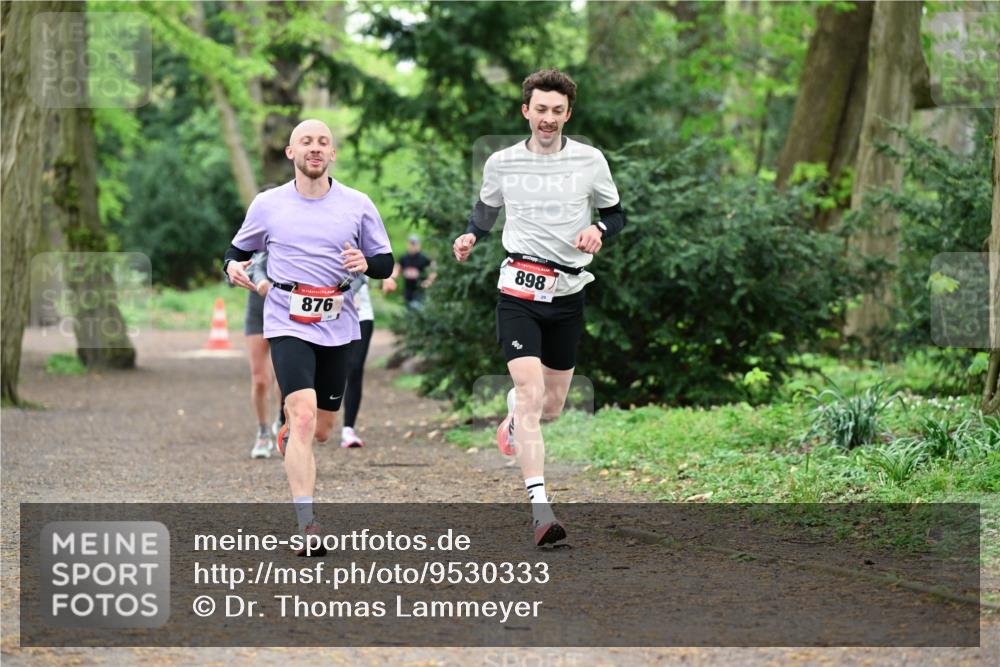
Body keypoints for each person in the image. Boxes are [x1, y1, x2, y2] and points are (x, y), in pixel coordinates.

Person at [452, 69, 626, 547]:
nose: (548, 118)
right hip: (518, 293)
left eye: (557, 111)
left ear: (568, 114)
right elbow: (486, 210)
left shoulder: (590, 160)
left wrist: (601, 232)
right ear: (525, 110)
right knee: (530, 394)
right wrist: (472, 235)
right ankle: (540, 509)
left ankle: (513, 414)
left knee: (549, 407)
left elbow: (615, 214)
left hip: (568, 294)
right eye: (540, 109)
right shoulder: (502, 163)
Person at [224, 118, 393, 556]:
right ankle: (307, 523)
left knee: (320, 429)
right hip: (285, 318)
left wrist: (365, 263)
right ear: (291, 152)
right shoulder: (267, 204)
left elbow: (385, 262)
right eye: (306, 141)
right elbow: (237, 251)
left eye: (323, 142)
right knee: (300, 416)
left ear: (332, 154)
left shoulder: (357, 204)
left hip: (338, 321)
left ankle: (289, 430)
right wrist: (232, 268)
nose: (315, 148)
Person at [245, 249, 279, 459]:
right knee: (260, 380)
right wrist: (243, 271)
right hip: (257, 314)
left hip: (283, 312)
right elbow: (229, 277)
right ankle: (263, 431)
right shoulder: (248, 240)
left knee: (285, 379)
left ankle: (283, 421)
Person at [340, 274, 375, 448]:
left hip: (362, 315)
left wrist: (388, 275)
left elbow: (380, 258)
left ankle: (348, 428)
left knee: (354, 368)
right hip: (328, 314)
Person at [388, 235, 436, 309]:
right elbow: (397, 269)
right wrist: (391, 279)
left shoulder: (424, 258)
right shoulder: (404, 258)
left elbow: (433, 270)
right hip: (407, 292)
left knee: (417, 308)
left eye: (415, 243)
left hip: (419, 292)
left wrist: (428, 281)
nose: (413, 246)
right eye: (411, 243)